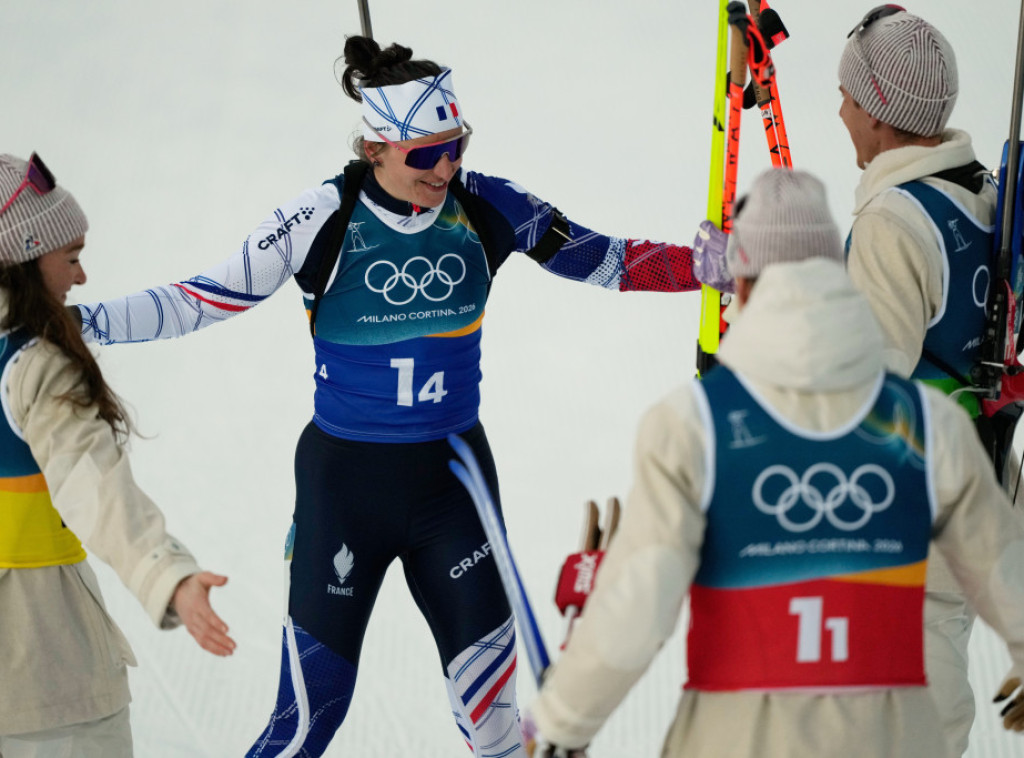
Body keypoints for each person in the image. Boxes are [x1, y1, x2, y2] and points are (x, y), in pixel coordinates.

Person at [72, 37, 704, 756]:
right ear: (375, 147)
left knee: (495, 727)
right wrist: (77, 324)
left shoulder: (486, 206)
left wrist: (704, 266)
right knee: (308, 722)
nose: (444, 167)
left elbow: (605, 259)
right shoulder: (321, 218)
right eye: (425, 153)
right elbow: (198, 299)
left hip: (455, 485)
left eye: (455, 146)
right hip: (346, 487)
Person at [529, 167, 1024, 758]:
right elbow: (1001, 559)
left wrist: (561, 724)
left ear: (740, 285)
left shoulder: (691, 425)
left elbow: (639, 605)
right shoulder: (931, 423)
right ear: (836, 274)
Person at [691, 8, 1022, 754]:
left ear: (876, 110)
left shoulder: (892, 226)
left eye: (847, 94)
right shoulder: (983, 195)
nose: (838, 109)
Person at [0, 152, 235, 758]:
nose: (81, 278)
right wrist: (168, 576)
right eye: (71, 257)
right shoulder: (34, 367)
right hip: (43, 679)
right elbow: (96, 489)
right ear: (23, 259)